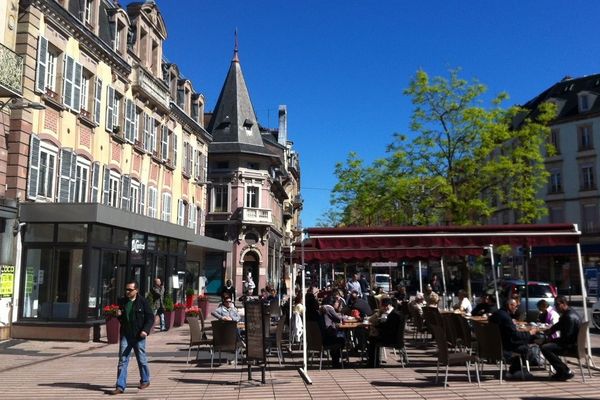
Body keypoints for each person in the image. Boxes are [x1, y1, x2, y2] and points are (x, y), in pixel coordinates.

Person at [110, 281, 154, 395]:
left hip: (139, 335)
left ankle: (145, 380)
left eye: (130, 290)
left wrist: (145, 330)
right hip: (126, 334)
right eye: (126, 289)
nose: (127, 292)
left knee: (142, 359)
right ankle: (120, 386)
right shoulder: (122, 301)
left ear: (136, 290)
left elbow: (150, 318)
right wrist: (118, 315)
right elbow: (121, 317)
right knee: (122, 360)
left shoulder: (143, 302)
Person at [489, 298, 538, 379]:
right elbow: (515, 335)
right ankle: (515, 371)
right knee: (525, 347)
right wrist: (530, 333)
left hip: (496, 344)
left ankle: (514, 370)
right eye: (516, 306)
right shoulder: (506, 317)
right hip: (505, 346)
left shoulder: (496, 314)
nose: (517, 308)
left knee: (522, 343)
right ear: (510, 305)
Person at [540, 296, 581, 381]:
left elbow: (566, 337)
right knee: (545, 344)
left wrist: (551, 340)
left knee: (545, 348)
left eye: (557, 305)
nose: (556, 307)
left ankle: (565, 371)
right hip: (573, 343)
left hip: (570, 346)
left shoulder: (568, 316)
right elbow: (558, 325)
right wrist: (550, 331)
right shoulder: (570, 312)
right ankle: (561, 371)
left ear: (563, 304)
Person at [366, 297, 404, 367]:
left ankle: (373, 362)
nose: (382, 307)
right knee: (372, 337)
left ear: (388, 305)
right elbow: (372, 320)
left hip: (391, 339)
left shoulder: (392, 315)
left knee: (372, 338)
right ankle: (374, 361)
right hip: (398, 339)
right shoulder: (395, 313)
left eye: (383, 306)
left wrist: (376, 326)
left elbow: (385, 327)